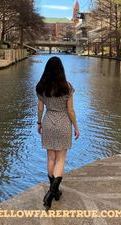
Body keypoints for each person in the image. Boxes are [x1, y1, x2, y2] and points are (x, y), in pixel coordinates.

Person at [36, 56, 80, 210]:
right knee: (60, 160)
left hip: (48, 122)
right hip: (63, 123)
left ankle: (53, 192)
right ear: (61, 70)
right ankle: (52, 192)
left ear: (46, 70)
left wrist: (39, 123)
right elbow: (71, 110)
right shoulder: (67, 87)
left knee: (50, 158)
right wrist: (76, 127)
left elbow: (40, 108)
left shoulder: (42, 87)